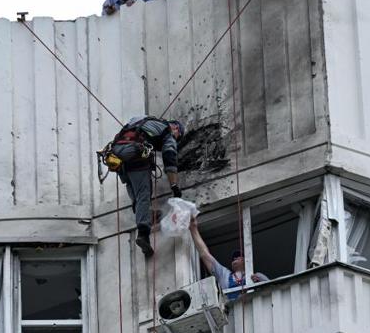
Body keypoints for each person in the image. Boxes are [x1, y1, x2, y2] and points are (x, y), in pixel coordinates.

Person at [111, 116, 184, 257]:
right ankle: (143, 234)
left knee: (137, 194)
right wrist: (174, 185)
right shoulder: (168, 132)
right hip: (135, 156)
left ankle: (146, 215)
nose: (176, 139)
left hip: (118, 156)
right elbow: (169, 158)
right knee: (144, 194)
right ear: (175, 128)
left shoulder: (142, 121)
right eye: (178, 137)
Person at [189, 216, 268, 298]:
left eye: (238, 256)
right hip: (231, 309)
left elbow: (272, 288)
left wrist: (260, 282)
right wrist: (193, 229)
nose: (235, 258)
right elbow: (204, 254)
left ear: (246, 260)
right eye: (233, 258)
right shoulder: (225, 275)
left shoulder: (256, 276)